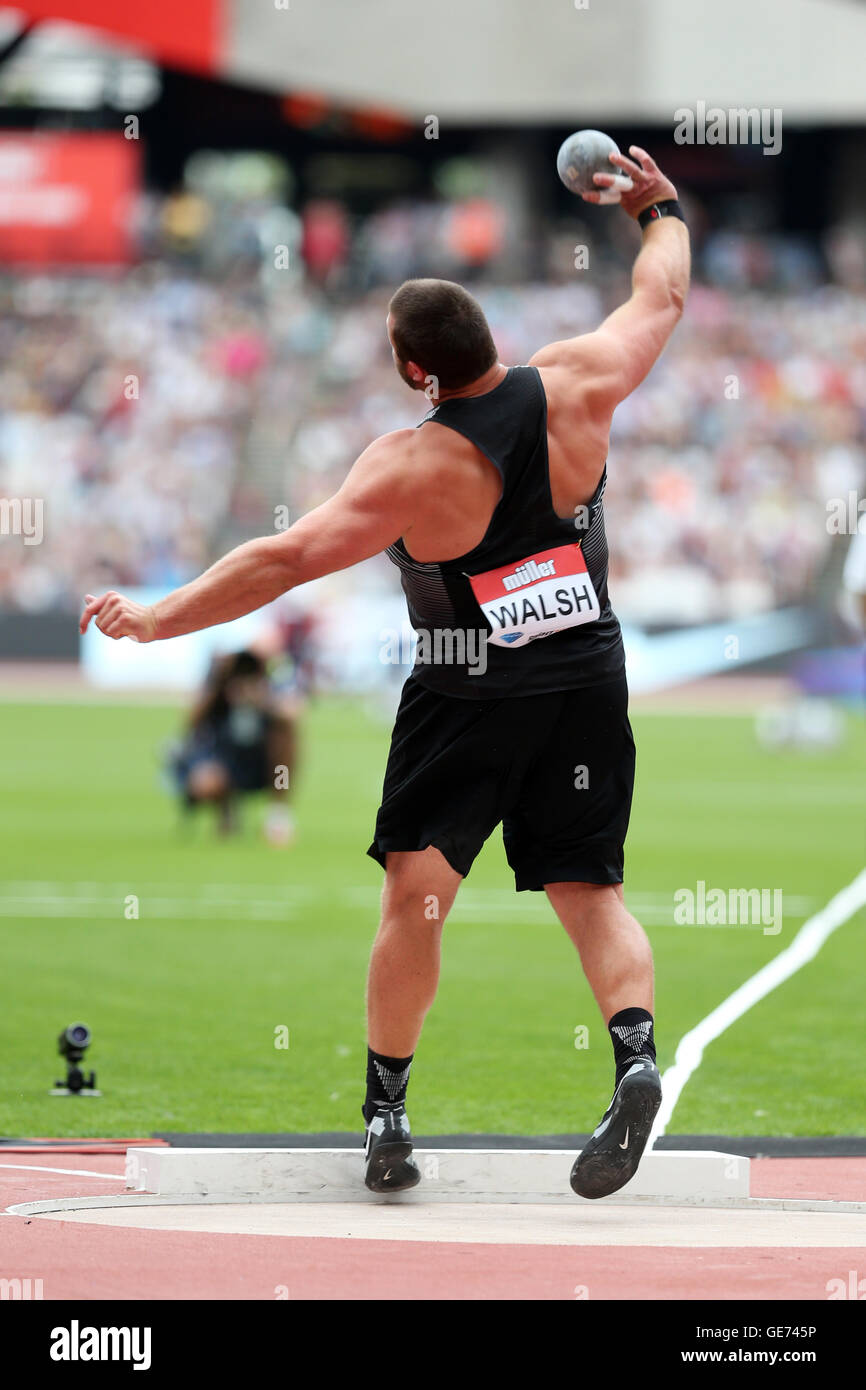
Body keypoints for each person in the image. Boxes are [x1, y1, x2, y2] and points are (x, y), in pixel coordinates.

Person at [81, 146, 690, 1199]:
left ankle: (387, 1114)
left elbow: (278, 560)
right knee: (591, 892)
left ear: (416, 371)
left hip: (465, 697)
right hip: (586, 680)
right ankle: (634, 1057)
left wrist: (157, 617)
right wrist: (657, 204)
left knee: (416, 902)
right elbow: (663, 289)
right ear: (491, 341)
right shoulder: (582, 379)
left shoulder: (411, 466)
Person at [170, 648, 295, 842]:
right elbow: (191, 724)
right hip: (223, 762)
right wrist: (219, 686)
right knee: (208, 782)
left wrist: (261, 702)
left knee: (283, 745)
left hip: (264, 767)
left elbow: (290, 716)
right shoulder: (217, 696)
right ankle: (225, 811)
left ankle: (278, 812)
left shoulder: (267, 697)